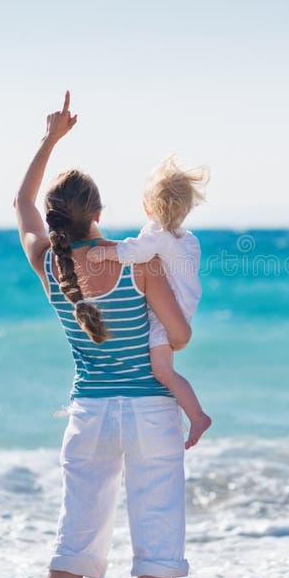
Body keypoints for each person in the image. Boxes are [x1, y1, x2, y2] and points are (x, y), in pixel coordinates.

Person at [13, 91, 192, 578]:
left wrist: (50, 139)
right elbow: (179, 335)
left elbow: (20, 204)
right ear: (98, 211)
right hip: (149, 413)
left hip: (88, 413)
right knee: (156, 543)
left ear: (57, 217)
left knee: (73, 541)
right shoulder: (137, 262)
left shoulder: (49, 266)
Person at [87, 155, 212, 449]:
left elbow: (133, 252)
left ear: (148, 208)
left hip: (166, 316)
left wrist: (104, 253)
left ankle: (197, 415)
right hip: (185, 306)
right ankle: (184, 410)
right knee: (165, 365)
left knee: (163, 371)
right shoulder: (189, 239)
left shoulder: (155, 236)